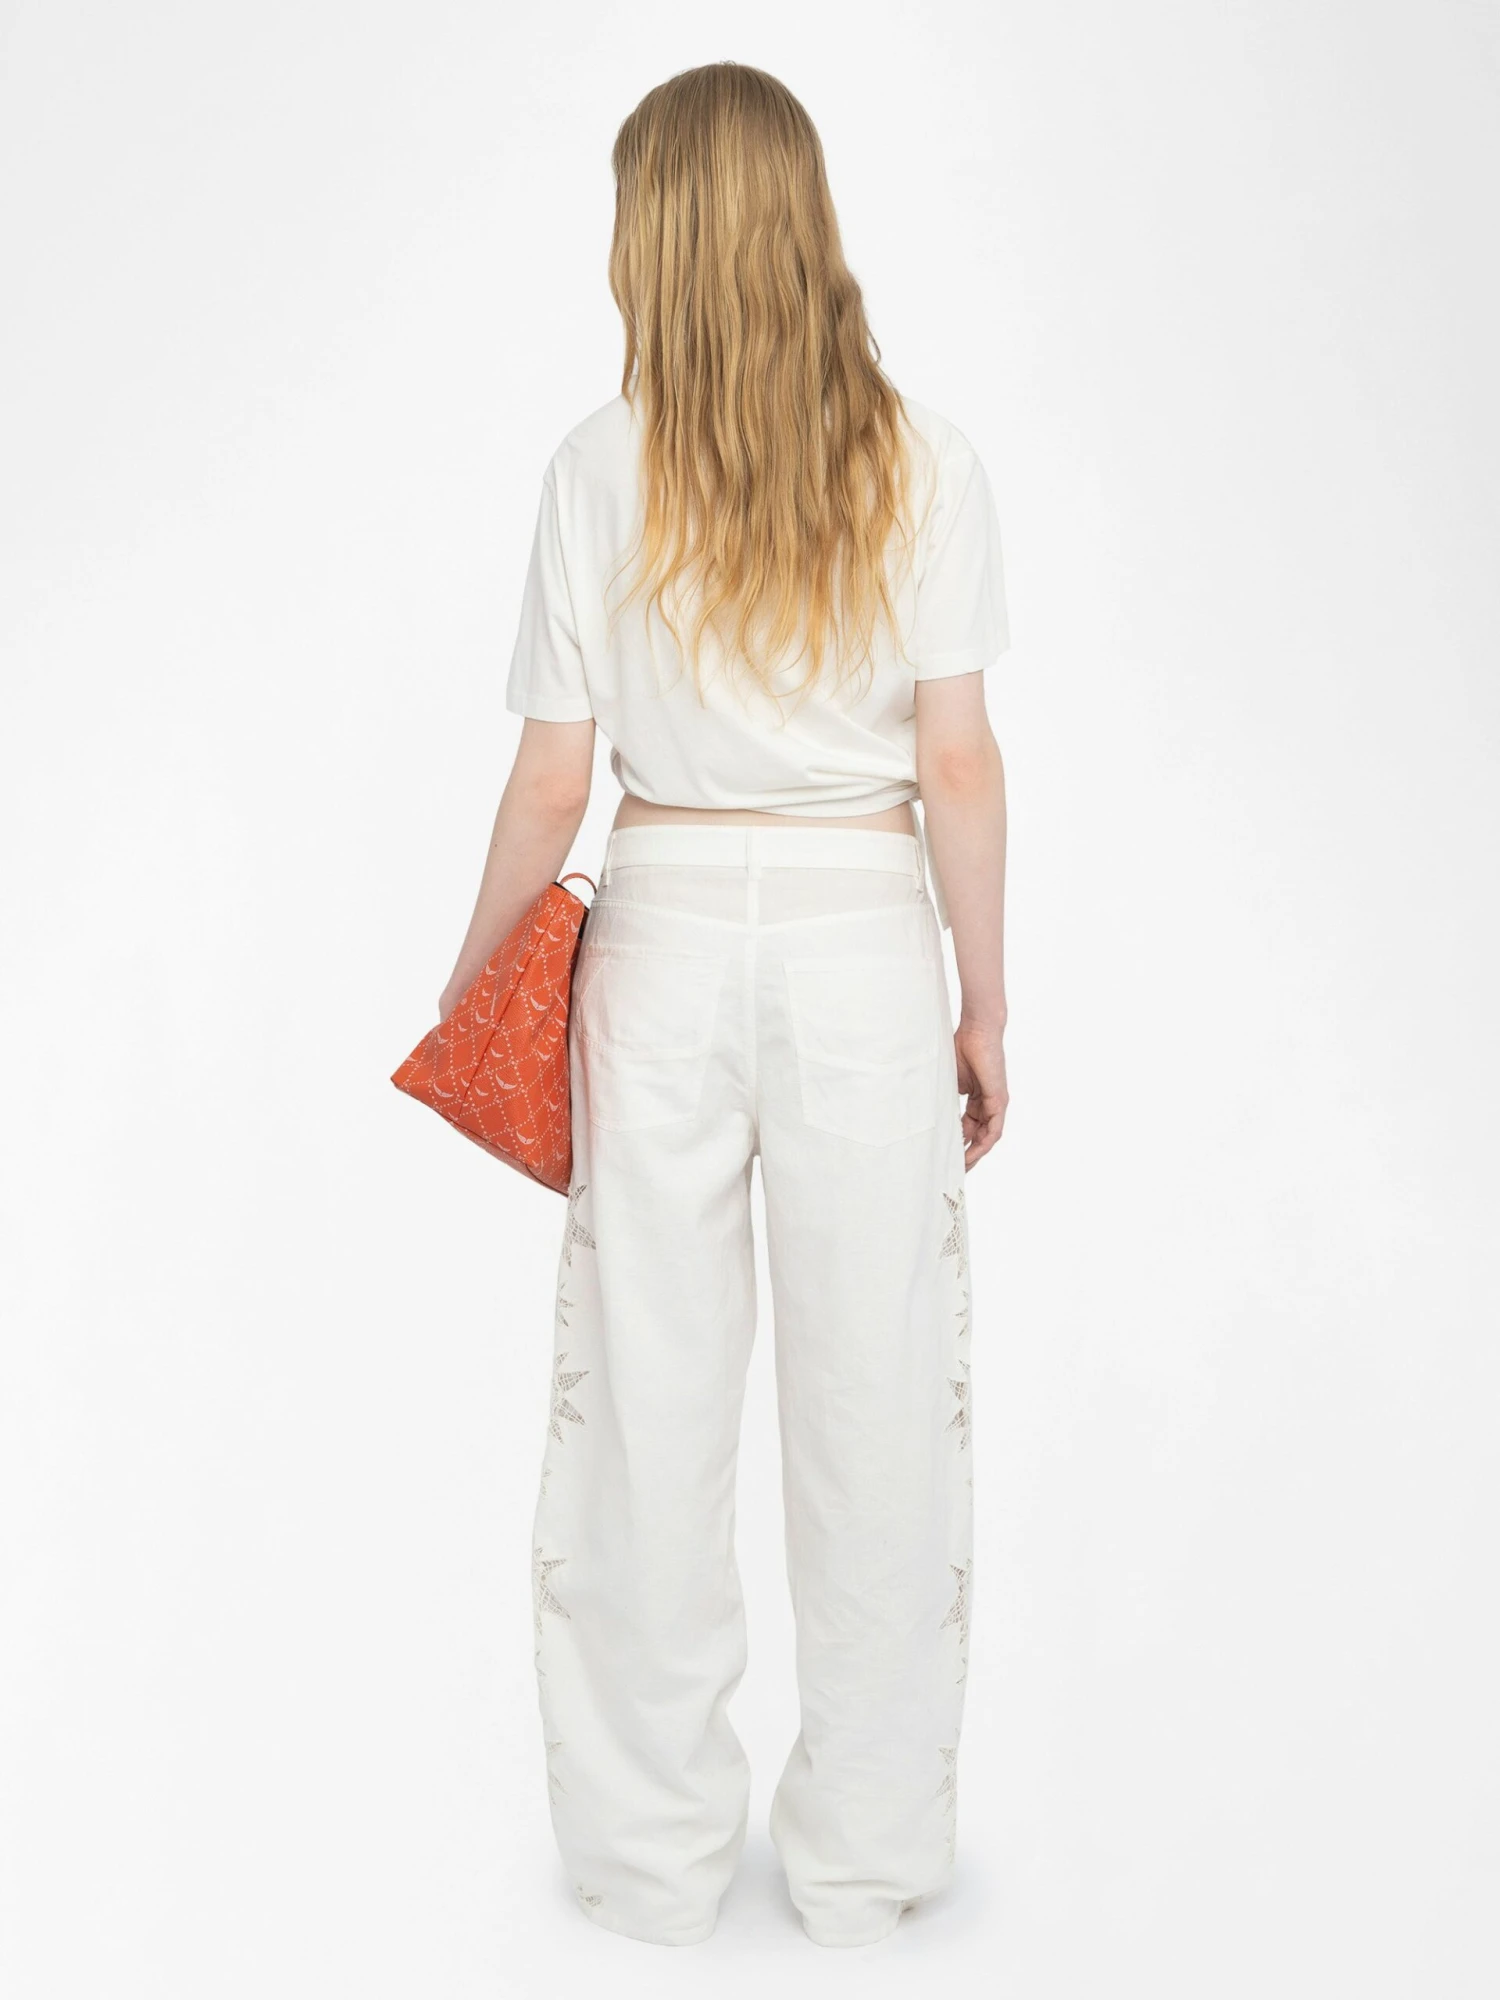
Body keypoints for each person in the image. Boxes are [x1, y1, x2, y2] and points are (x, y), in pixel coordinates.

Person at [437, 61, 1010, 1950]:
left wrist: (475, 983)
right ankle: (867, 1862)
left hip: (665, 938)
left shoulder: (594, 469)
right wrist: (986, 1003)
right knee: (877, 1401)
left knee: (646, 1403)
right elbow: (959, 760)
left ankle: (648, 1857)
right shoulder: (925, 462)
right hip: (863, 941)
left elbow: (552, 780)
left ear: (652, 236)